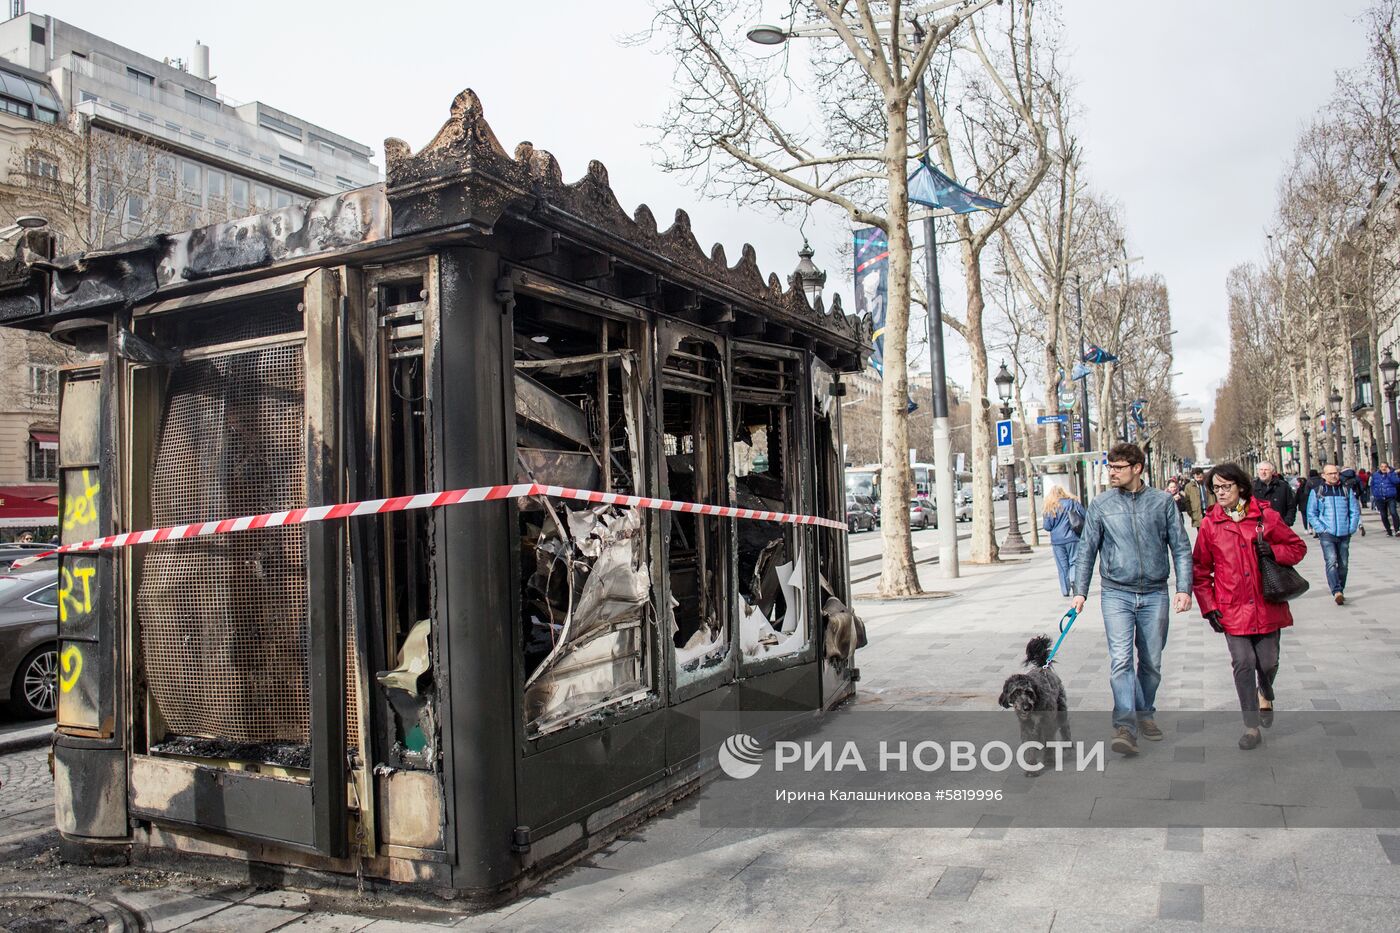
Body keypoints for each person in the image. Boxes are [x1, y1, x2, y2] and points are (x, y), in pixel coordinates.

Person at [1071, 443, 1194, 757]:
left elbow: (1180, 547)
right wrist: (1080, 591)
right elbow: (1086, 550)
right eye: (1110, 466)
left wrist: (1184, 587)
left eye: (1119, 467)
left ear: (1137, 468)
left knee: (1151, 663)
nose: (1112, 472)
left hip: (1155, 593)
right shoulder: (1100, 505)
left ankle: (1145, 713)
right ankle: (1125, 726)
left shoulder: (1163, 502)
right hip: (1116, 593)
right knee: (1121, 661)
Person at [1191, 463, 1307, 750]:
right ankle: (1250, 726)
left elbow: (1298, 548)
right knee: (1243, 663)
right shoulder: (1210, 524)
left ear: (1240, 487)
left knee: (1268, 662)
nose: (1220, 492)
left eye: (1225, 487)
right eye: (1215, 488)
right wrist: (1209, 607)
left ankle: (1264, 692)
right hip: (1231, 607)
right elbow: (1200, 570)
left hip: (1267, 604)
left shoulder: (1265, 516)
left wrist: (1275, 551)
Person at [1307, 464, 1361, 604]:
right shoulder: (1318, 491)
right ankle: (1336, 591)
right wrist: (1321, 529)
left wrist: (1352, 527)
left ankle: (1341, 589)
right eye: (1330, 473)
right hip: (1327, 533)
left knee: (1344, 563)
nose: (1333, 475)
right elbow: (1311, 513)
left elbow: (1354, 510)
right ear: (1323, 476)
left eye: (1335, 473)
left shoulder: (1345, 490)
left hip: (1344, 533)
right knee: (1331, 561)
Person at [1042, 485, 1086, 598]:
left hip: (1057, 541)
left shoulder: (1050, 506)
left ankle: (1065, 590)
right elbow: (1084, 515)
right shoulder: (1072, 502)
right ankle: (1073, 579)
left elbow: (1047, 526)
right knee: (1074, 562)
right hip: (1073, 537)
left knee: (1062, 566)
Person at [1251, 461, 1297, 527]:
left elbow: (1291, 507)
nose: (1263, 472)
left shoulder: (1283, 486)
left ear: (1272, 472)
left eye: (1266, 470)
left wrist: (1287, 523)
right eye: (1261, 470)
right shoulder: (1252, 487)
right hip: (1259, 530)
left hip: (1280, 528)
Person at [1371, 462, 1399, 537]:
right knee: (1383, 515)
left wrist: (1389, 474)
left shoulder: (1392, 473)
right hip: (1380, 498)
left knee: (1393, 512)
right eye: (1382, 466)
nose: (1383, 468)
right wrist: (1375, 494)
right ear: (1379, 467)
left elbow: (1396, 481)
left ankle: (1397, 530)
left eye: (1385, 467)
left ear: (1388, 467)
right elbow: (1372, 485)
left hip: (1390, 497)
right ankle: (1388, 531)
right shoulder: (1375, 475)